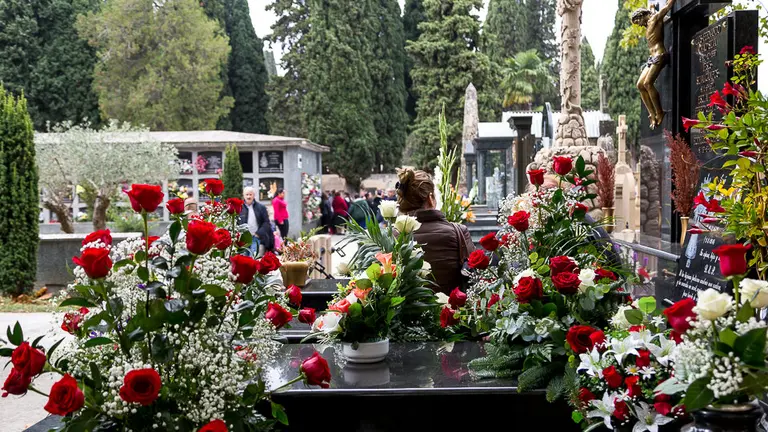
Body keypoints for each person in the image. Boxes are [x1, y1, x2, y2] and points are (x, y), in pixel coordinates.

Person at [397, 169, 474, 294]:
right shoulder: (458, 232)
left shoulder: (392, 236)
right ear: (430, 198)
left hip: (404, 312)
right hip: (453, 311)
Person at [239, 186, 273, 256]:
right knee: (243, 260)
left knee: (254, 258)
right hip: (243, 239)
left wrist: (258, 233)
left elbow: (266, 222)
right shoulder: (239, 208)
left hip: (256, 237)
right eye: (247, 194)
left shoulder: (261, 207)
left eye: (250, 194)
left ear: (254, 195)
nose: (248, 197)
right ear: (243, 195)